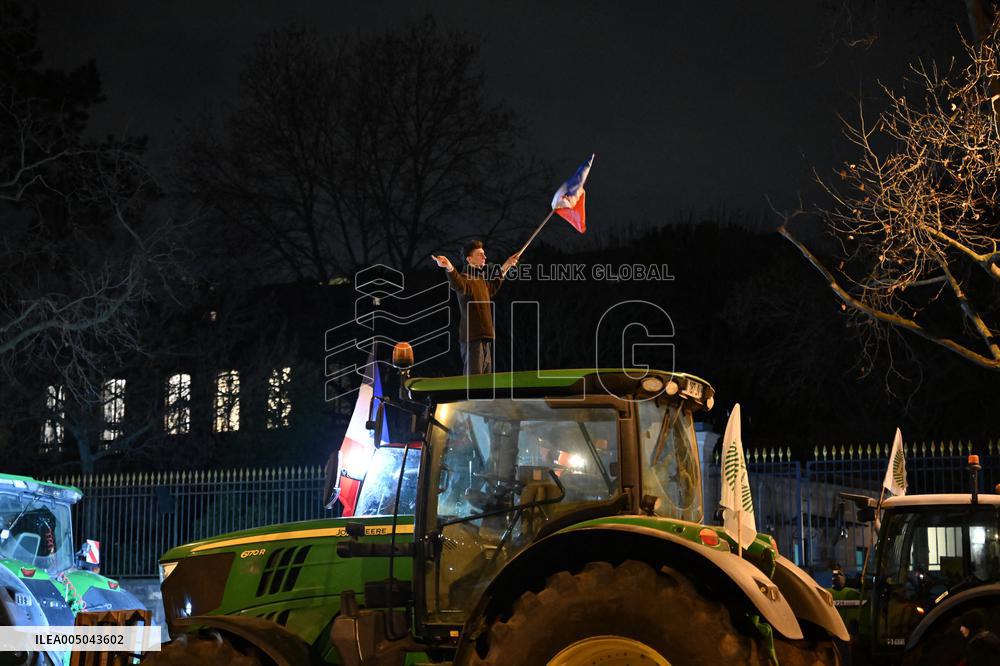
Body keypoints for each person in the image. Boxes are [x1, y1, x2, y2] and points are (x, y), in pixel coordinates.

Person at [432, 241, 518, 375]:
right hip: (472, 338)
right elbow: (458, 284)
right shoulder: (466, 279)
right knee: (474, 381)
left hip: (485, 337)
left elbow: (493, 287)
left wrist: (506, 265)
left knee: (486, 382)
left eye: (484, 254)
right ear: (469, 259)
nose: (484, 257)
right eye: (480, 254)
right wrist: (449, 266)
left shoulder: (480, 280)